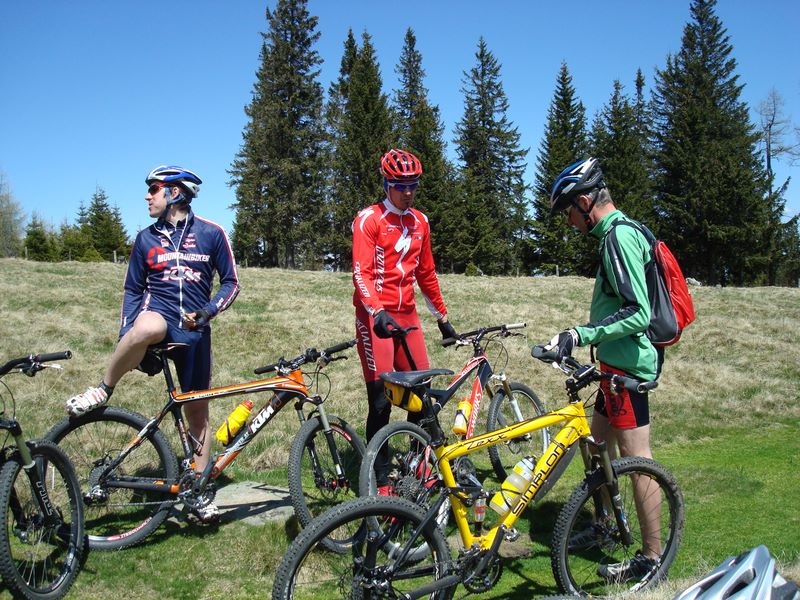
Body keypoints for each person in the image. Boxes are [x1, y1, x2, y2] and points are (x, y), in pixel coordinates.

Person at [65, 165, 240, 522]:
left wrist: (208, 312)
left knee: (198, 414)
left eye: (154, 189)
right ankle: (102, 388)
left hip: (195, 334)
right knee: (145, 327)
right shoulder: (146, 238)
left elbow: (231, 283)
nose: (147, 196)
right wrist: (126, 335)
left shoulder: (211, 233)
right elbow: (133, 289)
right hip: (158, 316)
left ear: (175, 193)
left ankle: (198, 491)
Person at [542, 157, 663, 582]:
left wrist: (580, 334)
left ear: (585, 201)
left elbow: (638, 312)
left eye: (568, 211)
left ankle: (652, 558)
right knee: (597, 448)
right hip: (612, 367)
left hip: (628, 371)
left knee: (637, 460)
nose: (569, 222)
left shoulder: (619, 237)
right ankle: (604, 526)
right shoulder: (614, 235)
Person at [352, 149, 457, 492]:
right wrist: (376, 310)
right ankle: (379, 481)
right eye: (401, 186)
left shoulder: (421, 222)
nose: (408, 192)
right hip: (375, 317)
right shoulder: (369, 219)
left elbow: (426, 273)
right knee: (381, 400)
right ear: (386, 184)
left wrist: (442, 317)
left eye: (413, 185)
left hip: (407, 315)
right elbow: (362, 273)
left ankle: (416, 468)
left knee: (421, 395)